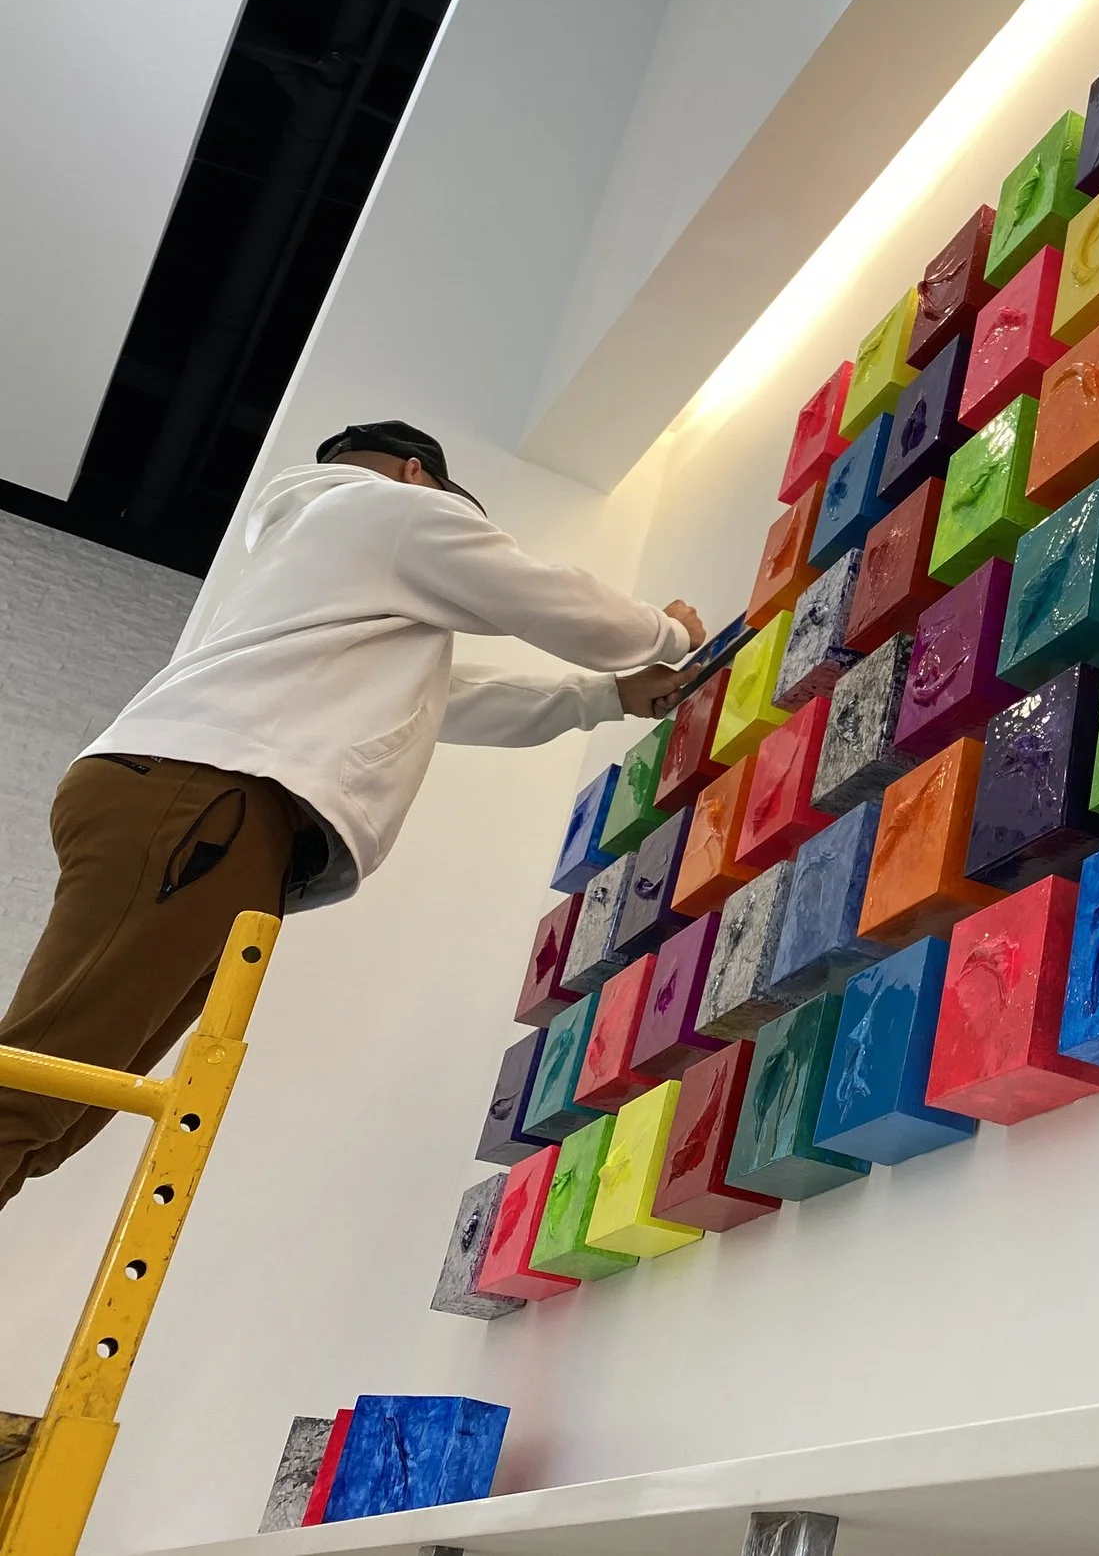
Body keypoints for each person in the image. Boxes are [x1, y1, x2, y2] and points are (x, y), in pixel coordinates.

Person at [0, 422, 707, 1209]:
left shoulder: (319, 559)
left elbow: (449, 698)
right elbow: (540, 596)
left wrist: (604, 696)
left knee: (61, 1111)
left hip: (203, 811)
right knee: (34, 1091)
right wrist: (666, 630)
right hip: (203, 801)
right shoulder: (383, 510)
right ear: (416, 473)